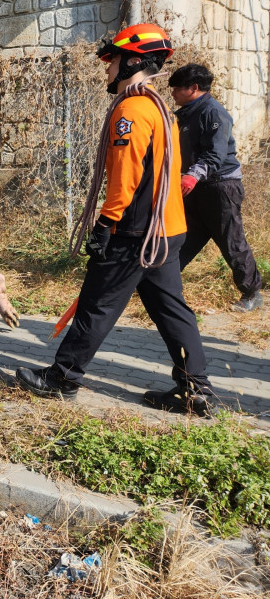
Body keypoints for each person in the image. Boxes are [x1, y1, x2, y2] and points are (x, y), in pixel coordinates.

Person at [15, 23, 213, 416]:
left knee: (97, 304)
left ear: (133, 62)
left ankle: (62, 378)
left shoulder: (132, 111)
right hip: (166, 230)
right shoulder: (159, 108)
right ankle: (197, 392)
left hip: (134, 231)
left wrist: (106, 225)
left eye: (112, 61)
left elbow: (126, 178)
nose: (106, 69)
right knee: (172, 310)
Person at [169, 63, 264, 312]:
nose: (173, 93)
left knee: (231, 241)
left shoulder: (213, 113)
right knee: (182, 237)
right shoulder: (186, 114)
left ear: (194, 88)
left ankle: (251, 293)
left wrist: (192, 176)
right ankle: (163, 285)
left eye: (177, 88)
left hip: (221, 186)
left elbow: (215, 154)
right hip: (198, 187)